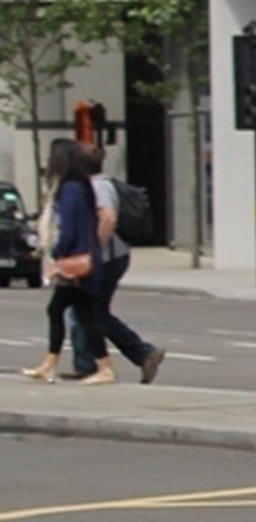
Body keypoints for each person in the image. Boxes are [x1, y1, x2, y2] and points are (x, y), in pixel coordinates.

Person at [76, 147, 165, 385]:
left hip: (108, 258)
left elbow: (108, 218)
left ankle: (142, 353)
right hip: (112, 256)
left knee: (91, 312)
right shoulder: (98, 185)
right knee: (89, 310)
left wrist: (93, 251)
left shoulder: (98, 187)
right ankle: (90, 363)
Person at [20, 139, 84, 383]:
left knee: (57, 310)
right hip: (79, 258)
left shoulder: (69, 189)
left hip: (73, 260)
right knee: (87, 314)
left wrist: (58, 257)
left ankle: (51, 364)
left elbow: (69, 229)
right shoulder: (78, 186)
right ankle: (105, 364)